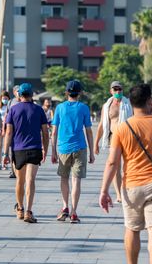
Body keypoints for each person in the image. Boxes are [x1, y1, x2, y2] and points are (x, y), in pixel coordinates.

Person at [99, 83, 152, 264]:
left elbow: (112, 162)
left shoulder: (121, 129)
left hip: (131, 187)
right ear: (151, 102)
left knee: (132, 229)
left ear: (132, 103)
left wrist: (104, 191)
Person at [3, 83, 49, 223]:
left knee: (20, 180)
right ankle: (29, 211)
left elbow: (9, 132)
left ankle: (20, 209)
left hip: (18, 149)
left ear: (19, 95)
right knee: (30, 180)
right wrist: (45, 150)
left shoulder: (13, 110)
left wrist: (5, 153)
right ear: (31, 95)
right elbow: (45, 133)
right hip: (34, 148)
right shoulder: (39, 110)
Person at [51, 80, 94, 224]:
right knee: (76, 181)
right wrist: (92, 152)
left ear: (66, 92)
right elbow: (88, 131)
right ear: (80, 93)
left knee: (64, 178)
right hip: (80, 148)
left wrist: (53, 151)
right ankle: (74, 212)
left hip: (63, 148)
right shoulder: (84, 108)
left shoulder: (60, 108)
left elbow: (54, 131)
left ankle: (65, 207)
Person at [95, 81, 133, 203]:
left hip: (127, 137)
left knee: (128, 166)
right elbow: (101, 125)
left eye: (119, 89)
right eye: (115, 89)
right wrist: (96, 143)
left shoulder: (128, 104)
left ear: (122, 90)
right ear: (111, 91)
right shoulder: (107, 106)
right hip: (113, 138)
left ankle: (128, 190)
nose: (118, 92)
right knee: (115, 166)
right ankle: (119, 194)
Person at [0, 91, 11, 171]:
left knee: (6, 146)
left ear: (9, 98)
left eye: (6, 98)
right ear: (0, 99)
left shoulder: (10, 107)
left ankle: (5, 163)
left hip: (7, 127)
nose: (4, 100)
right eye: (3, 98)